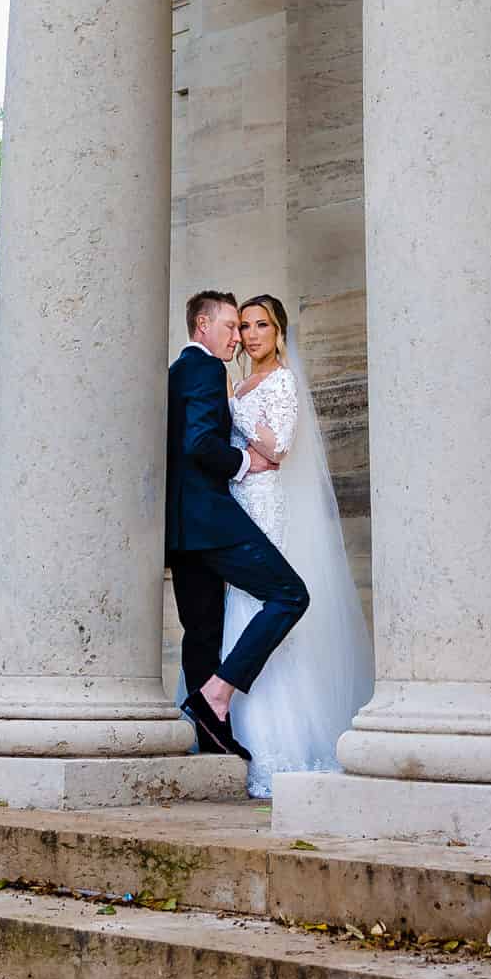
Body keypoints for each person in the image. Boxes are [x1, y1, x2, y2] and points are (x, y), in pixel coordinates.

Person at [223, 293, 374, 798]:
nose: (251, 334)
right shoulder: (241, 382)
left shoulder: (281, 380)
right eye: (244, 326)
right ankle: (234, 728)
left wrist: (237, 415)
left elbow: (280, 446)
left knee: (262, 602)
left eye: (261, 325)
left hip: (266, 506)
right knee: (236, 607)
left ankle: (276, 743)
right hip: (238, 497)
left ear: (279, 331)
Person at [165, 289, 310, 759]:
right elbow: (200, 443)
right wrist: (245, 462)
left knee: (202, 630)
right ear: (203, 325)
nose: (239, 337)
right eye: (232, 326)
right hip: (212, 519)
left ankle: (210, 738)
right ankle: (218, 694)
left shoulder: (174, 373)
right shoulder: (208, 369)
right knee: (290, 595)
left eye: (249, 326)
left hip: (181, 531)